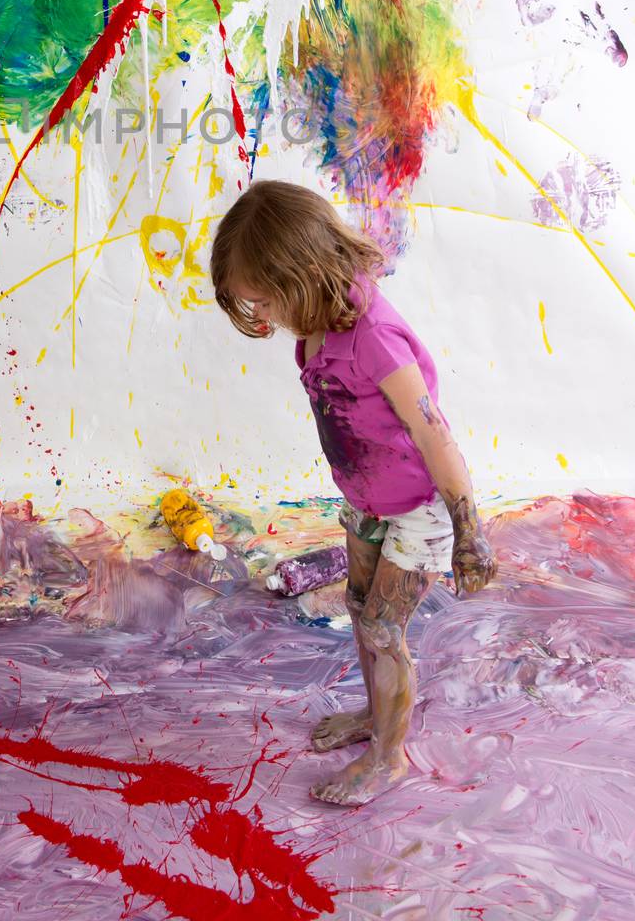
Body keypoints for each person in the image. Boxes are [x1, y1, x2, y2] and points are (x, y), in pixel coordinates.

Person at [211, 179, 497, 805]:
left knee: (382, 629)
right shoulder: (317, 324)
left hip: (420, 510)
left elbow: (436, 436)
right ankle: (375, 718)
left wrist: (468, 531)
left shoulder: (374, 338)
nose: (263, 317)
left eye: (265, 302)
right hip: (367, 501)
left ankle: (388, 760)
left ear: (300, 277)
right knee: (362, 610)